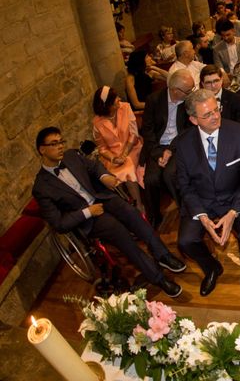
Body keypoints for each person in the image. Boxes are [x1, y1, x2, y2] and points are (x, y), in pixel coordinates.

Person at [32, 126, 185, 297]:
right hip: (87, 218)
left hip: (101, 197)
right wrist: (88, 212)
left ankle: (163, 254)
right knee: (119, 232)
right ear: (42, 150)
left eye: (61, 141)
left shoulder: (71, 156)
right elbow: (59, 224)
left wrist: (104, 176)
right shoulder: (41, 187)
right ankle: (158, 278)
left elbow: (94, 166)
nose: (60, 146)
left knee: (133, 213)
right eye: (54, 144)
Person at [175, 89, 240, 311]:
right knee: (185, 240)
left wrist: (233, 213)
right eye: (207, 115)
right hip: (202, 202)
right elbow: (184, 186)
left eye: (217, 110)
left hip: (236, 199)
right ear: (194, 120)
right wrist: (202, 216)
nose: (215, 117)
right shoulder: (183, 144)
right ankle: (212, 267)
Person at [140, 69, 194, 227]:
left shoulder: (188, 102)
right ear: (175, 90)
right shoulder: (154, 100)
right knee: (150, 179)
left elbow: (187, 130)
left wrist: (170, 150)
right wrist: (159, 153)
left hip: (178, 145)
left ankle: (186, 210)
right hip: (156, 147)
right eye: (188, 90)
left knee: (170, 175)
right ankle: (154, 217)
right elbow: (147, 131)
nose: (191, 93)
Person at [92, 86, 145, 214]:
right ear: (107, 105)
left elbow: (134, 134)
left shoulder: (125, 107)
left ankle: (139, 206)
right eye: (115, 98)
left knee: (127, 169)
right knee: (112, 175)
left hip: (132, 148)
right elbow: (102, 148)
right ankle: (127, 207)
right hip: (112, 156)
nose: (119, 99)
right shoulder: (97, 122)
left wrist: (124, 154)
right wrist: (114, 158)